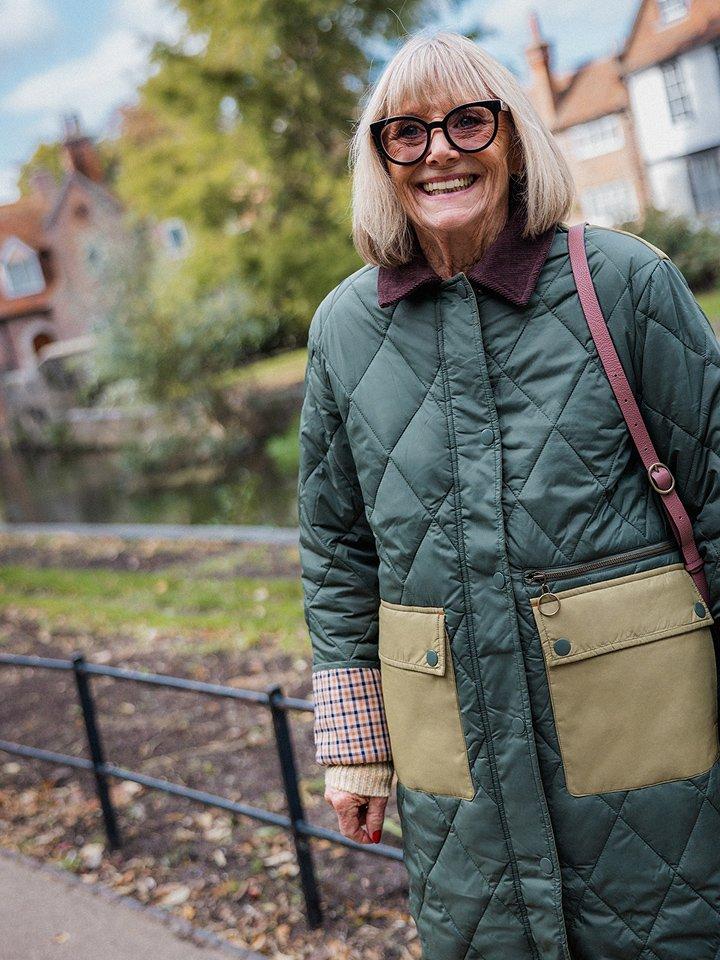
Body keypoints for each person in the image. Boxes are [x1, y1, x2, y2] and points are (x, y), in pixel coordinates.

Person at [297, 28, 720, 960]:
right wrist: (355, 745)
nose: (440, 150)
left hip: (647, 744)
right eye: (406, 133)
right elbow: (336, 552)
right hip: (460, 775)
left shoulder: (622, 280)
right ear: (381, 160)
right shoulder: (343, 328)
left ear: (514, 135)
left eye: (468, 122)